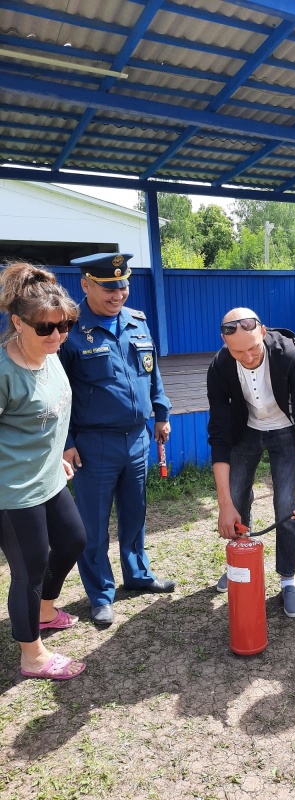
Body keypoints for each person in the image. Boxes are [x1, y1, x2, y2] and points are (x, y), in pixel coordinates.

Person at [59, 253, 174, 627]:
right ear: (86, 284)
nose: (117, 294)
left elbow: (151, 372)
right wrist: (67, 440)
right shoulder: (69, 331)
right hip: (93, 444)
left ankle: (137, 575)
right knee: (92, 525)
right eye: (108, 287)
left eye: (123, 285)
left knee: (135, 514)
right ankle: (101, 594)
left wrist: (161, 413)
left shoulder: (137, 322)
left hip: (138, 438)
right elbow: (57, 392)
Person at [0, 262, 86, 680]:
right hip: (13, 491)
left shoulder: (50, 356)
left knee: (74, 541)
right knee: (29, 570)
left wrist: (56, 457)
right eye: (46, 328)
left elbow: (53, 413)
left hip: (49, 477)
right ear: (18, 322)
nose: (57, 336)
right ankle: (31, 656)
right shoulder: (3, 371)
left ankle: (46, 611)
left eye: (65, 325)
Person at [207, 308, 295, 618]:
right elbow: (218, 436)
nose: (248, 356)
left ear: (264, 332)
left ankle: (287, 579)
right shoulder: (219, 367)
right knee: (237, 496)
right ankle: (241, 562)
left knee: (286, 502)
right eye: (238, 351)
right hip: (246, 431)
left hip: (285, 430)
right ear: (225, 344)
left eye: (254, 347)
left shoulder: (288, 354)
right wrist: (224, 504)